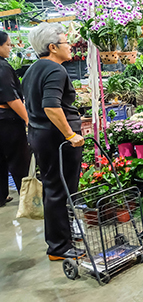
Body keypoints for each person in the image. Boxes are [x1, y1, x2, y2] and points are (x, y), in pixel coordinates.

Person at [22, 23, 85, 261]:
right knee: (61, 190)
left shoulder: (33, 69)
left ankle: (62, 238)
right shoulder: (55, 70)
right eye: (66, 42)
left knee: (54, 189)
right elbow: (51, 106)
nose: (70, 47)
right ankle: (59, 247)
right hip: (57, 140)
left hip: (40, 135)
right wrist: (70, 135)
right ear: (52, 47)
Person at [0, 31, 31, 207]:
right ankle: (28, 200)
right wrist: (28, 119)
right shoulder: (3, 67)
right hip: (7, 120)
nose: (10, 48)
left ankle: (1, 196)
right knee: (19, 160)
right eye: (8, 45)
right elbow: (11, 99)